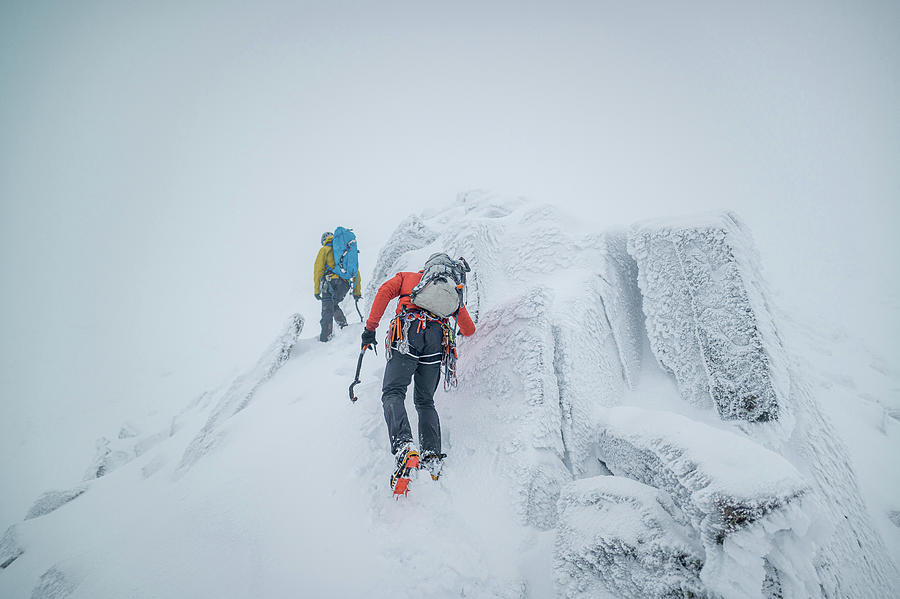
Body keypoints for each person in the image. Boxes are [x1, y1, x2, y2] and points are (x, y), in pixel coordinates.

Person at [362, 253, 476, 492]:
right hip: (436, 340)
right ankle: (431, 456)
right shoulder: (450, 292)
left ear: (427, 268)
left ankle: (404, 446)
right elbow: (468, 328)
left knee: (393, 392)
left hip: (406, 333)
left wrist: (370, 329)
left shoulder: (409, 278)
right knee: (425, 401)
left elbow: (384, 292)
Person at [314, 231, 361, 342]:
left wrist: (317, 290)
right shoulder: (346, 250)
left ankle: (325, 339)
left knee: (327, 310)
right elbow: (355, 272)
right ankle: (344, 327)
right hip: (344, 284)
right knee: (333, 305)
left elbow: (318, 270)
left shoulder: (324, 250)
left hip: (329, 282)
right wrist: (356, 292)